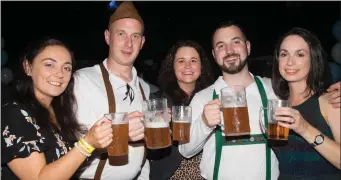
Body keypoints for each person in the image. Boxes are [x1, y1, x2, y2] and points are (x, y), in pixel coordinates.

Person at [178, 21, 341, 180]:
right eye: (221, 45)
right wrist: (204, 123)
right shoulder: (203, 97)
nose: (229, 50)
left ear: (247, 47)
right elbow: (185, 150)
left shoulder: (275, 91)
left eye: (236, 42)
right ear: (214, 55)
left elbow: (308, 95)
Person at [1, 37, 113, 180]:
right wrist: (87, 143)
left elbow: (65, 165)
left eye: (66, 68)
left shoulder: (59, 112)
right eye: (49, 65)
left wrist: (101, 141)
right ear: (28, 67)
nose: (60, 74)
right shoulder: (13, 114)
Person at [73, 1, 150, 180]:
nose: (128, 44)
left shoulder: (144, 88)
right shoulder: (82, 80)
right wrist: (122, 135)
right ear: (108, 37)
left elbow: (142, 153)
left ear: (143, 42)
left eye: (135, 36)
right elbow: (72, 142)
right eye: (121, 34)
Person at [271, 27, 340, 179]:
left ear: (313, 59)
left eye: (300, 54)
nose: (290, 61)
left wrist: (305, 129)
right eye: (284, 54)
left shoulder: (331, 101)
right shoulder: (276, 105)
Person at [149, 40, 214, 180]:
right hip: (171, 174)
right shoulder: (158, 101)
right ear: (172, 66)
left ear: (201, 66)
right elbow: (150, 150)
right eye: (181, 61)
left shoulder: (212, 97)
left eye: (193, 60)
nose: (188, 66)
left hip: (208, 173)